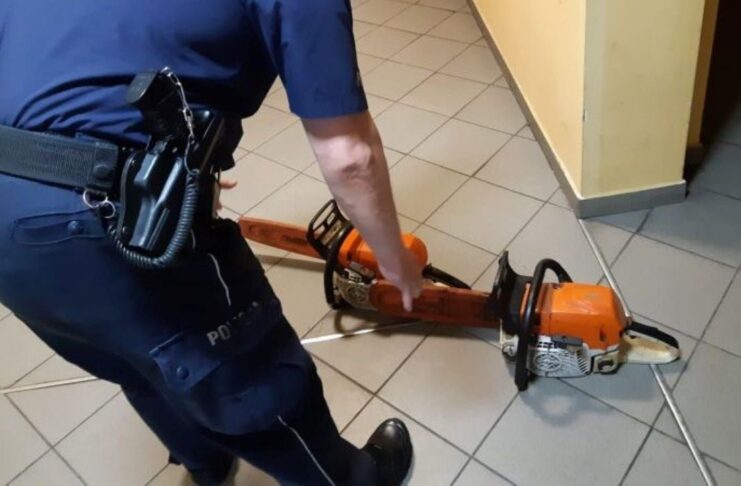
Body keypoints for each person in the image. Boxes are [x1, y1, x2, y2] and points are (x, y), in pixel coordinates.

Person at [0, 1, 423, 484]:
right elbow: (349, 157)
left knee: (133, 362)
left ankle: (206, 465)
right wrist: (392, 258)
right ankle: (352, 478)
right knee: (256, 380)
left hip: (10, 214)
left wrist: (164, 172)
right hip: (92, 223)